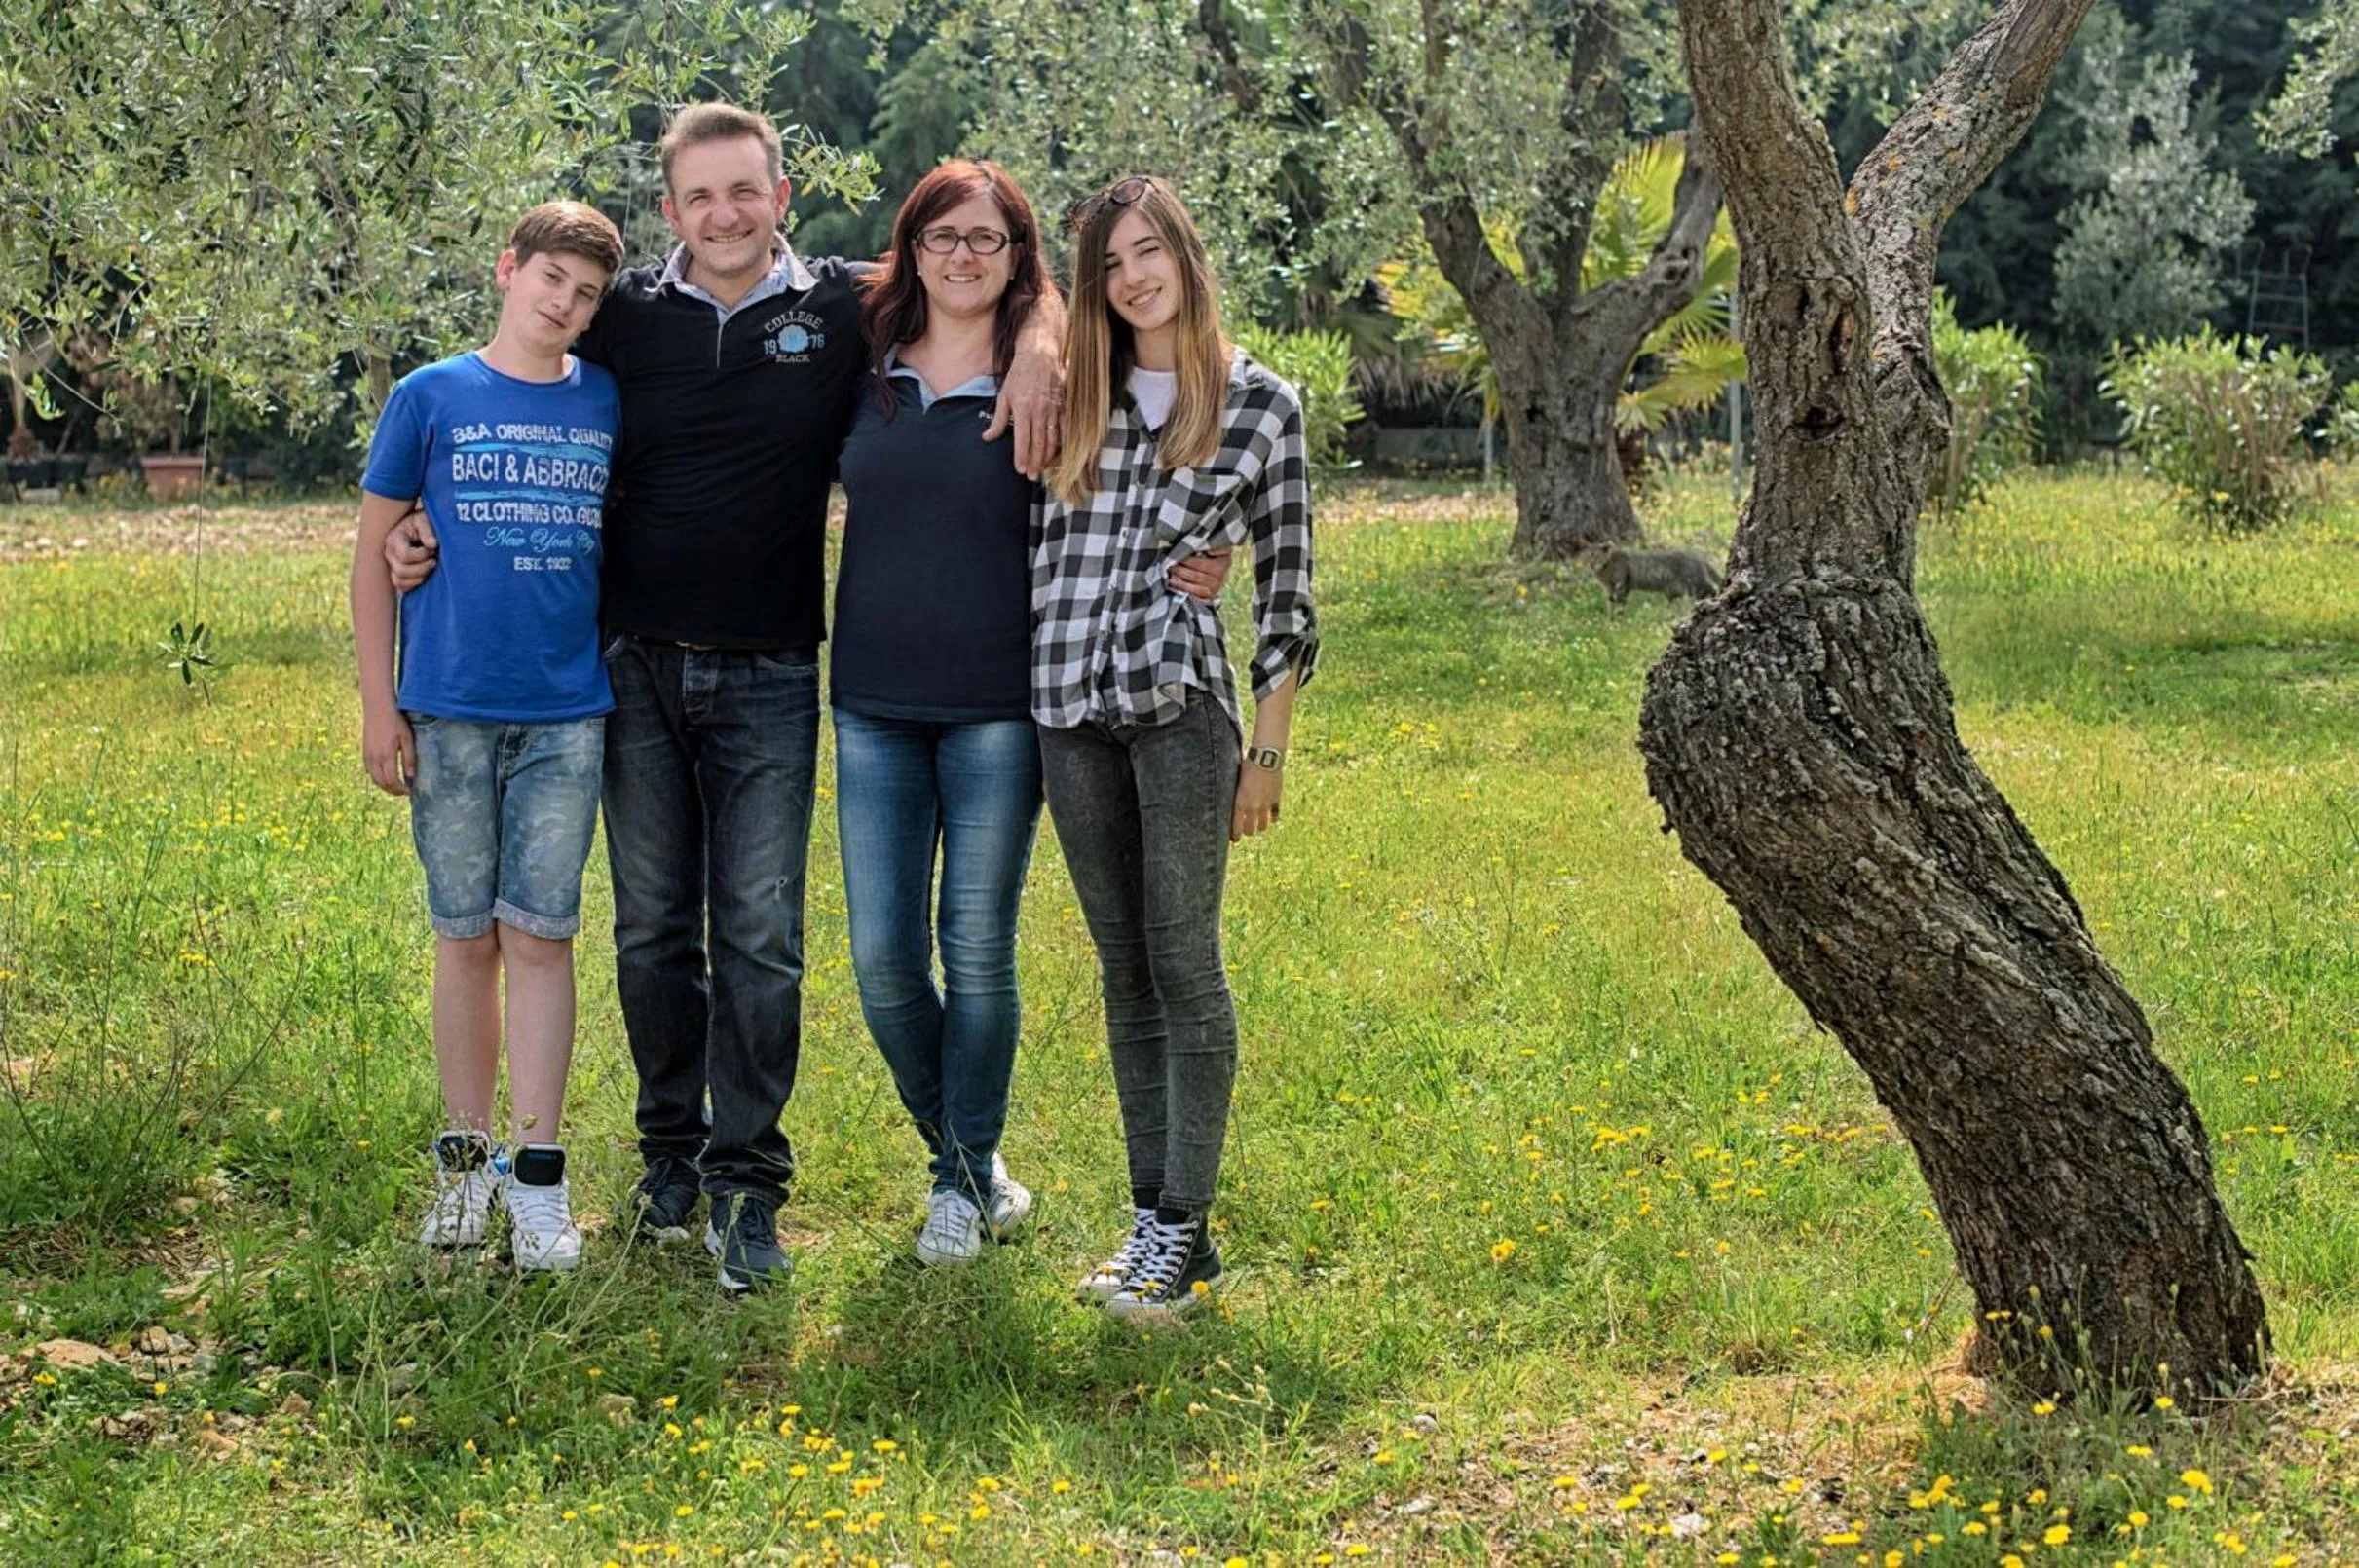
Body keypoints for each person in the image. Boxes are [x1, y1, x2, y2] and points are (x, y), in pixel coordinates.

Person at [390, 104, 1065, 1293]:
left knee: (760, 937)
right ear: (670, 212)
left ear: (782, 194)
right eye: (699, 196)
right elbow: (510, 398)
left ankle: (749, 1184)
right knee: (653, 928)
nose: (724, 213)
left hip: (772, 669)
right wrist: (416, 530)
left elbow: (995, 276)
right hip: (633, 664)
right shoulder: (627, 317)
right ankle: (670, 1161)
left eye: (744, 190)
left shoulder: (846, 308)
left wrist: (1050, 339)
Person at [835, 162, 1232, 1267]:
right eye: (941, 237)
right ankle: (965, 1156)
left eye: (988, 240)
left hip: (1005, 706)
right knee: (879, 959)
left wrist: (1218, 548)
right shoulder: (859, 364)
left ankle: (961, 1175)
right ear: (909, 248)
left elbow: (1158, 480)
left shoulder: (1062, 381)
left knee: (976, 946)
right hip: (869, 702)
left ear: (1021, 260)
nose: (962, 256)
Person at [1034, 176, 1318, 1322]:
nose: (1132, 278)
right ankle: (1153, 1219)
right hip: (1065, 706)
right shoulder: (1071, 392)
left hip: (1180, 709)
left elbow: (1289, 592)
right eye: (1108, 264)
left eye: (1147, 252)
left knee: (1184, 961)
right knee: (1122, 970)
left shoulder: (1259, 405)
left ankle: (1184, 1229)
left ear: (1184, 257)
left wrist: (1268, 752)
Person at [350, 200, 626, 1273]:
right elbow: (376, 558)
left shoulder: (605, 401)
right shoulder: (430, 397)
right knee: (464, 937)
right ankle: (465, 1171)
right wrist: (381, 705)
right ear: (507, 270)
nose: (564, 303)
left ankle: (540, 1179)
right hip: (449, 710)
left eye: (587, 293)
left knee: (541, 936)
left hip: (566, 713)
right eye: (550, 278)